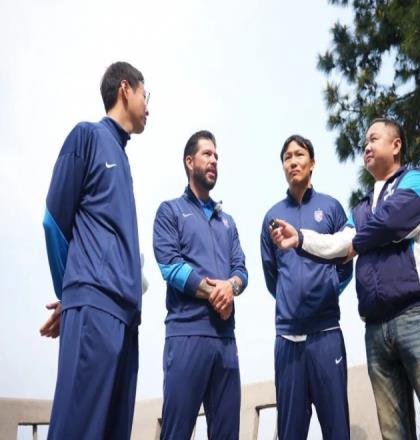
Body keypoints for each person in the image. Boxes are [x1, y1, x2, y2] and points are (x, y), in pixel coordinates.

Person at [271, 119, 420, 439]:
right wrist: (301, 239)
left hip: (415, 318)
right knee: (394, 433)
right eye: (364, 141)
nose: (366, 146)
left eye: (374, 139)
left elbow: (391, 223)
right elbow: (339, 244)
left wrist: (355, 242)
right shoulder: (360, 209)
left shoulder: (415, 182)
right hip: (375, 331)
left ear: (396, 146)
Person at [40, 61, 149, 440]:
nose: (148, 106)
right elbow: (54, 222)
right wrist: (70, 295)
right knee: (79, 429)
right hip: (94, 309)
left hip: (126, 318)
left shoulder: (123, 157)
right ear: (125, 89)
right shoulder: (86, 136)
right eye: (146, 95)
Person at [153, 130, 248, 440]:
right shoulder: (169, 211)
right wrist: (216, 293)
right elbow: (170, 267)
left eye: (217, 156)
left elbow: (241, 271)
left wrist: (231, 287)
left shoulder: (228, 221)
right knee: (176, 432)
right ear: (189, 161)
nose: (214, 160)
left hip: (225, 341)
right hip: (186, 336)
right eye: (207, 154)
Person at [260, 135, 353, 440]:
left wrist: (328, 289)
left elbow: (345, 264)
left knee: (337, 430)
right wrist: (288, 299)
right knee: (289, 432)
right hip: (287, 339)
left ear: (312, 163)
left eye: (299, 155)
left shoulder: (331, 208)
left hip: (326, 334)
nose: (293, 161)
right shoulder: (272, 218)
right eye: (287, 157)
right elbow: (271, 275)